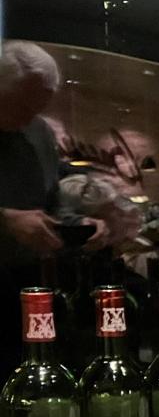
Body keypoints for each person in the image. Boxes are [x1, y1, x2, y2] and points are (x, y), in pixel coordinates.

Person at [0, 41, 109, 260]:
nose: (28, 120)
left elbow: (52, 207)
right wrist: (6, 221)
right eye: (23, 107)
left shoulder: (40, 132)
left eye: (38, 110)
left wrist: (79, 224)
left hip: (30, 272)